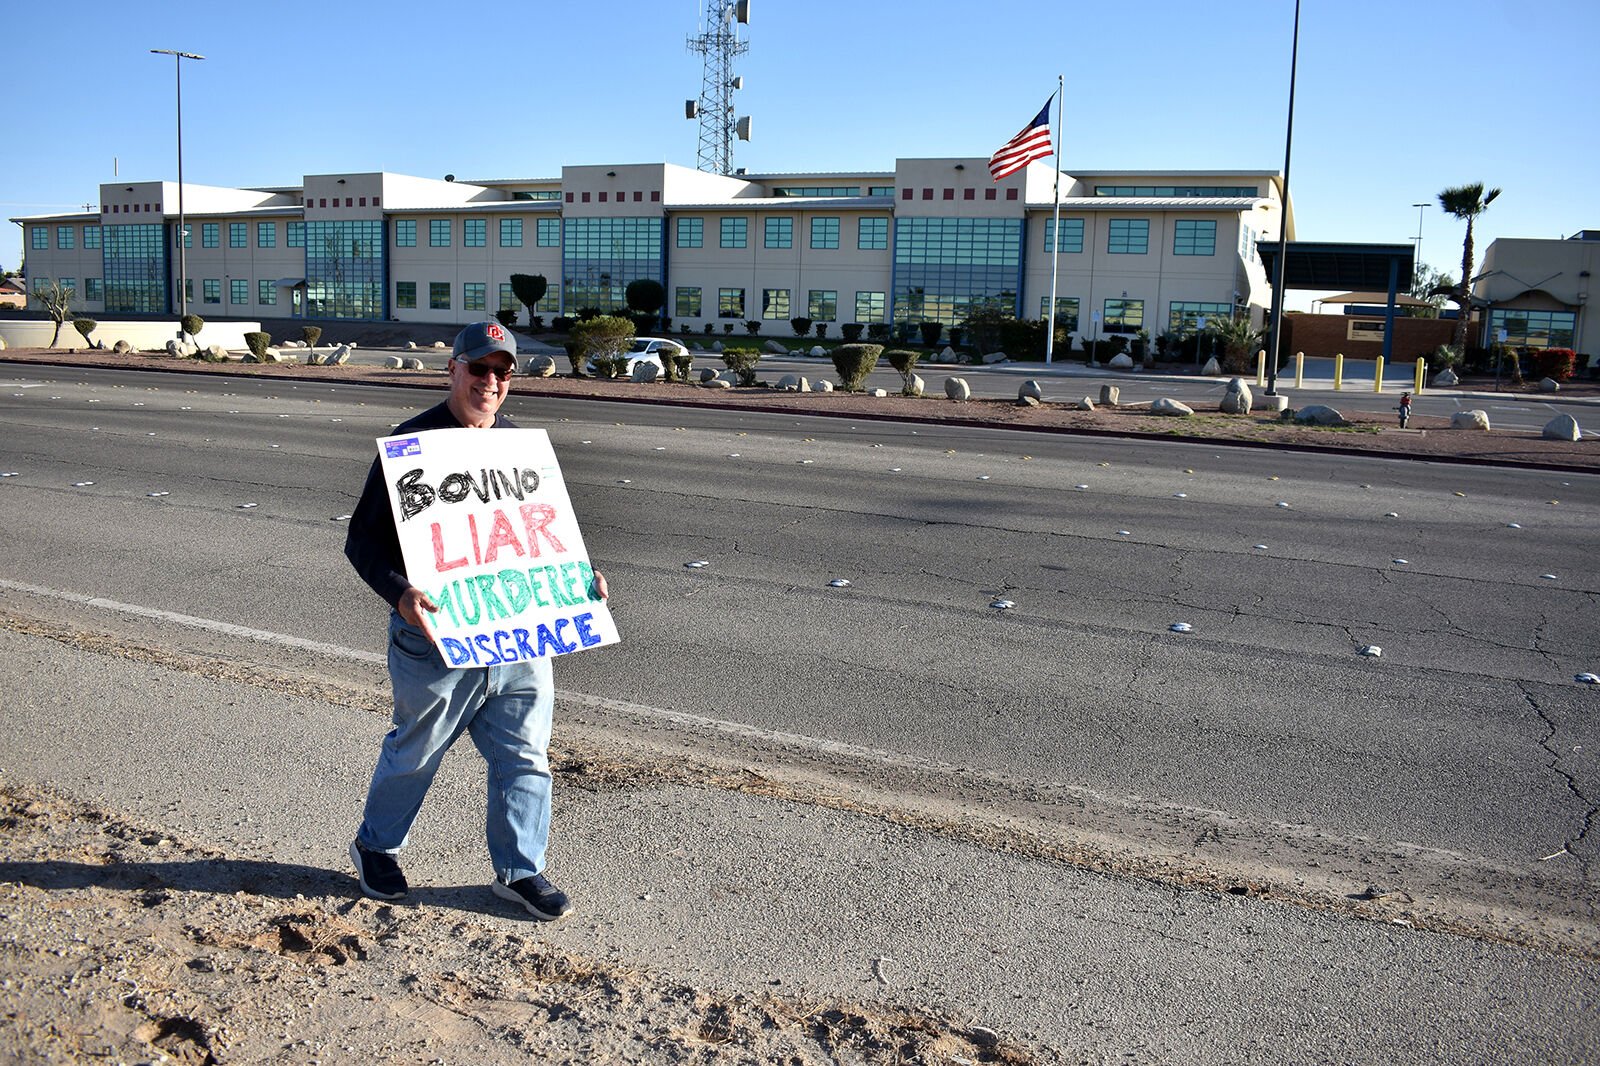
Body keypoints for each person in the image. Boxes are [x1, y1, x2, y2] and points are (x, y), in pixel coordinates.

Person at [343, 320, 606, 920]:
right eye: (479, 369)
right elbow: (363, 542)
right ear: (454, 370)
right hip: (434, 637)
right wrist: (400, 592)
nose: (491, 381)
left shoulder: (519, 447)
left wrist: (580, 580)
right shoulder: (412, 446)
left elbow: (539, 535)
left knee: (526, 756)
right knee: (416, 751)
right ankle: (375, 847)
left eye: (503, 371)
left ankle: (520, 871)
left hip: (517, 636)